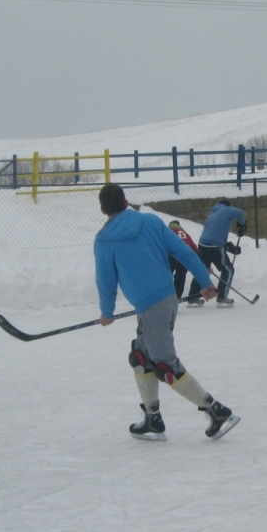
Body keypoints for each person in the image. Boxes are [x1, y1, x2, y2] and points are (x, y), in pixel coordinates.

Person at [94, 183, 239, 441]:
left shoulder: (104, 239)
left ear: (103, 209)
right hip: (165, 298)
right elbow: (184, 251)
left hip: (152, 307)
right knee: (140, 357)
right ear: (126, 202)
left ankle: (217, 411)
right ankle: (153, 418)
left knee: (165, 365)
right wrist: (204, 282)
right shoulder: (150, 221)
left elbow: (106, 280)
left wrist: (107, 312)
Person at [197, 198, 247, 308]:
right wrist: (242, 225)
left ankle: (193, 297)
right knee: (228, 270)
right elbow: (240, 213)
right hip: (215, 246)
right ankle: (222, 297)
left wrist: (228, 246)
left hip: (202, 244)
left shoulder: (213, 214)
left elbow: (214, 234)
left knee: (202, 270)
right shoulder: (226, 210)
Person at [167, 220, 205, 307]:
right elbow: (194, 248)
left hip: (171, 255)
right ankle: (176, 300)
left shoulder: (167, 231)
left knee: (166, 276)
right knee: (180, 277)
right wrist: (202, 262)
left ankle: (163, 300)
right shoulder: (185, 234)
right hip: (184, 255)